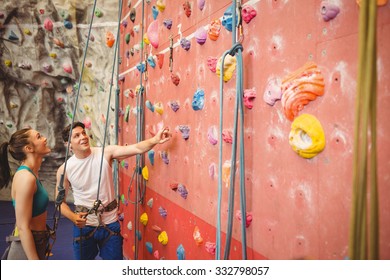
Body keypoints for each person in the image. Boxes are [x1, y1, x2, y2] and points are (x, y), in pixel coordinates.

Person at [56, 121, 171, 260]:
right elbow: (59, 203)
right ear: (69, 145)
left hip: (110, 224)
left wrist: (155, 140)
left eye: (84, 133)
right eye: (77, 135)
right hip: (85, 226)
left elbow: (137, 148)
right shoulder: (65, 169)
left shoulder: (106, 153)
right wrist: (73, 217)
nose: (83, 137)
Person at [0, 128, 52, 260]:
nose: (45, 139)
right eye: (39, 137)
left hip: (36, 241)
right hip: (25, 247)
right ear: (29, 148)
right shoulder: (26, 178)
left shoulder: (31, 174)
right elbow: (23, 227)